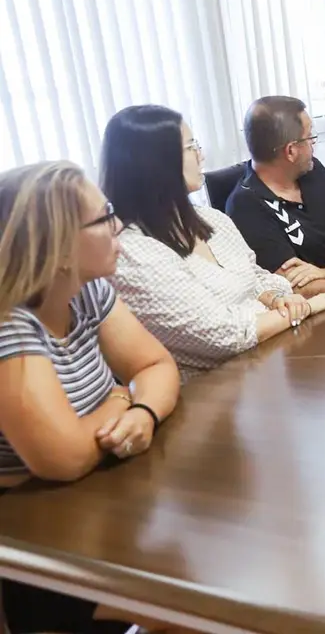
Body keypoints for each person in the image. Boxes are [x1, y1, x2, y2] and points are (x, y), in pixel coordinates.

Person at [0, 161, 182, 633]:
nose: (118, 225)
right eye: (104, 217)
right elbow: (61, 458)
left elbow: (158, 367)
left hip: (104, 506)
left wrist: (143, 407)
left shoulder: (88, 291)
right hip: (41, 545)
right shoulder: (9, 325)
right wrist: (121, 401)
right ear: (57, 245)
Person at [100, 105, 325, 382]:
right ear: (155, 162)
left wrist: (278, 299)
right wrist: (309, 306)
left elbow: (257, 277)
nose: (201, 155)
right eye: (191, 147)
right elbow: (224, 336)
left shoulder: (211, 219)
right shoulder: (132, 253)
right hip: (208, 396)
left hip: (268, 365)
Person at [226, 96, 325, 297]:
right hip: (320, 314)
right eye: (310, 136)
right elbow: (297, 288)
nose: (314, 144)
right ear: (291, 151)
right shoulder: (246, 206)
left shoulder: (312, 171)